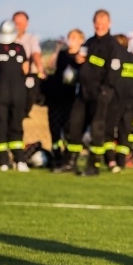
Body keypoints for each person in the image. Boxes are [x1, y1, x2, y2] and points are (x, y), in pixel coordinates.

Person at [55, 9, 118, 176]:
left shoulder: (112, 46)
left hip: (101, 92)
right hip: (83, 92)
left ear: (109, 24)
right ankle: (69, 163)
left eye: (102, 22)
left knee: (97, 130)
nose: (99, 25)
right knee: (74, 126)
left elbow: (112, 71)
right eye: (97, 22)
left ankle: (93, 166)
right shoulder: (89, 42)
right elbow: (81, 62)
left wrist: (105, 90)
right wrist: (78, 61)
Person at [0, 20, 29, 172]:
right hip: (18, 92)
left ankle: (3, 161)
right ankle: (20, 160)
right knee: (16, 125)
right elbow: (25, 70)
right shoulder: (20, 49)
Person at [43, 28, 84, 168]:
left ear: (81, 40)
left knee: (69, 129)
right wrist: (57, 48)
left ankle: (68, 158)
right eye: (69, 37)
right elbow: (50, 66)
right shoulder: (62, 54)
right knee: (54, 128)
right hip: (57, 96)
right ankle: (56, 156)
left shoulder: (81, 57)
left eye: (74, 37)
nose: (70, 40)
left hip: (71, 98)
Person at [104, 33, 133, 172]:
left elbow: (111, 78)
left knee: (108, 131)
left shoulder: (115, 59)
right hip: (130, 102)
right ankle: (121, 162)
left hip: (114, 101)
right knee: (124, 132)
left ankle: (110, 160)